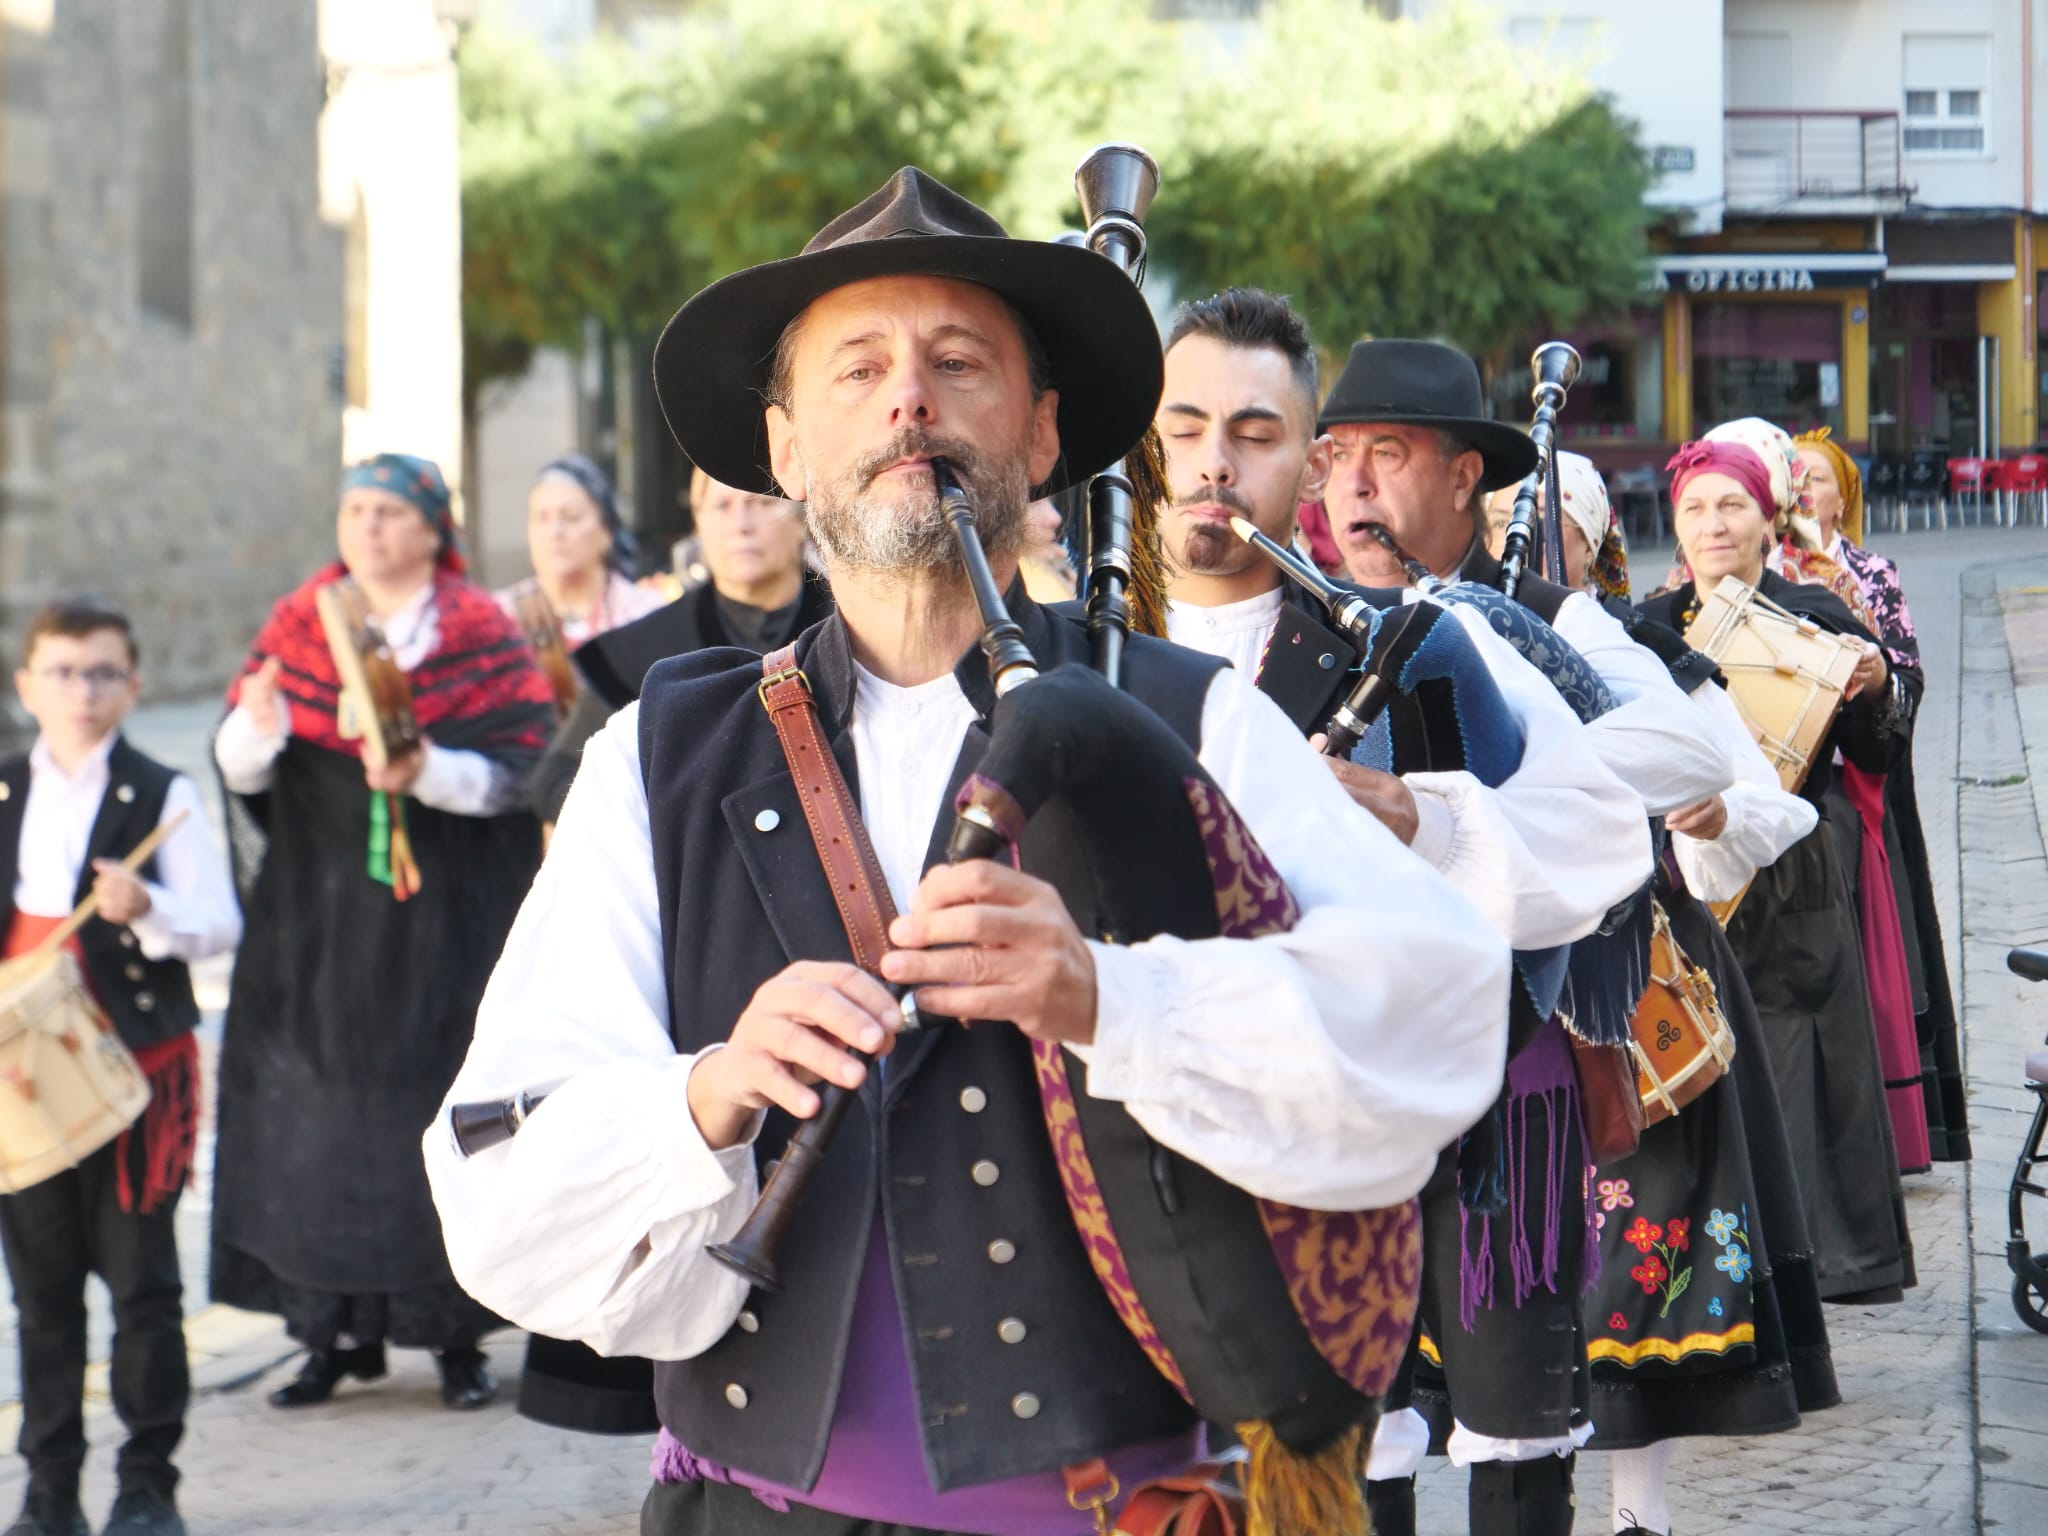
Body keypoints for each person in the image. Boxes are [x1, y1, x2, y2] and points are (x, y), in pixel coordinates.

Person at [426, 167, 1513, 1536]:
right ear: (782, 446)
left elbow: (1440, 1009)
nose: (908, 402)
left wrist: (1118, 1001)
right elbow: (489, 1168)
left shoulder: (1186, 714)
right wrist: (704, 1093)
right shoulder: (659, 751)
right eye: (859, 369)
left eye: (957, 363)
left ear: (1044, 432)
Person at [1315, 338, 1735, 1536]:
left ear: (1462, 480)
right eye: (1335, 455)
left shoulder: (1549, 621)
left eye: (1385, 458)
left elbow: (1683, 759)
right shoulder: (1303, 609)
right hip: (1348, 1064)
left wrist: (1499, 753)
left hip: (1513, 1072)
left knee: (1511, 1409)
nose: (1350, 487)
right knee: (1361, 1411)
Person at [210, 454, 555, 1414]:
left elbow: (520, 772)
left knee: (436, 1113)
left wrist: (429, 769)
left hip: (444, 921)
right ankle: (331, 1339)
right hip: (320, 923)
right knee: (319, 1126)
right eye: (354, 509)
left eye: (388, 511)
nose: (367, 528)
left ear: (430, 528)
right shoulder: (297, 625)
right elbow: (242, 772)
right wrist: (256, 727)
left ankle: (455, 1340)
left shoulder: (478, 631)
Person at [1536, 481, 1843, 1536]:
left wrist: (1709, 820)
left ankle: (1636, 1516)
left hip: (1640, 988)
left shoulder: (1642, 658)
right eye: (1500, 530)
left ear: (1594, 546)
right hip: (1505, 988)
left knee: (1635, 1260)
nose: (1524, 548)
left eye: (1550, 531)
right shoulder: (1437, 642)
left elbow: (1769, 798)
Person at [1639, 437, 1916, 1307]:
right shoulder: (1643, 629)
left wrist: (1874, 687)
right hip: (1684, 879)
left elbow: (1877, 753)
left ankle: (1829, 1261)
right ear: (1675, 528)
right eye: (1696, 509)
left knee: (1803, 1060)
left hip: (1796, 881)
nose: (1714, 525)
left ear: (1769, 520)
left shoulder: (1818, 612)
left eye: (1732, 507)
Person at [0, 600, 241, 1536]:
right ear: (27, 688)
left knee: (144, 1287)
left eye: (102, 673)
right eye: (62, 672)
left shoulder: (164, 794)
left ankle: (148, 1486)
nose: (82, 691)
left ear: (133, 686)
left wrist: (146, 906)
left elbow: (220, 925)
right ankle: (49, 1489)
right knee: (43, 1291)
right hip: (26, 1085)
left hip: (135, 1072)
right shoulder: (5, 792)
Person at [1794, 428, 1967, 1165]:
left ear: (1844, 496)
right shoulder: (1752, 564)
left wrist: (1869, 668)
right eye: (1793, 478)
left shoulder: (1870, 571)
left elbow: (1905, 676)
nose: (1806, 491)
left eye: (1820, 480)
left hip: (1859, 782)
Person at [529, 468, 829, 826]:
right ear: (698, 523)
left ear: (802, 521)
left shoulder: (852, 627)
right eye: (721, 506)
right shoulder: (645, 648)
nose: (741, 524)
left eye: (761, 503)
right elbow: (556, 778)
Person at [498, 454, 667, 646]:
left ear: (607, 531)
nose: (555, 532)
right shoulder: (501, 616)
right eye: (542, 518)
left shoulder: (645, 613)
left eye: (571, 517)